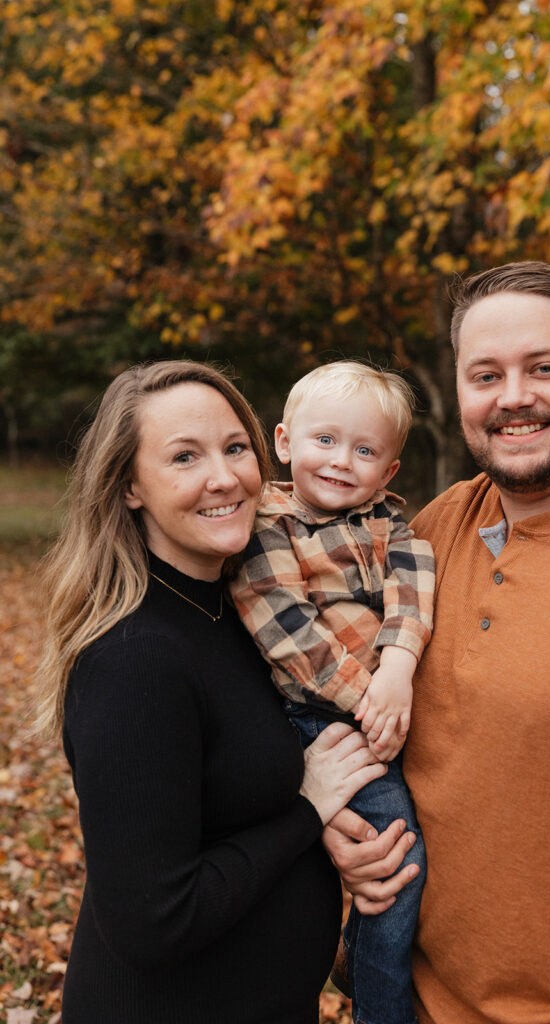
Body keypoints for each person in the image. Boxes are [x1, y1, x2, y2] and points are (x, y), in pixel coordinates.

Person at [323, 262, 550, 1024]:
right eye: (484, 374)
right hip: (402, 998)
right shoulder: (432, 530)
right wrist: (334, 822)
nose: (512, 396)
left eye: (543, 368)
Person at [33, 360, 387, 1024]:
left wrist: (331, 832)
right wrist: (307, 812)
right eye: (184, 457)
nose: (223, 477)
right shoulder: (135, 662)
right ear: (130, 486)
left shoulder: (244, 612)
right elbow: (152, 923)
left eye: (234, 448)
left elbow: (240, 790)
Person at [230, 361, 435, 1024]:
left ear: (389, 471)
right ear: (285, 442)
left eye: (364, 450)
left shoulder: (394, 530)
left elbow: (412, 601)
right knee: (397, 863)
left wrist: (398, 673)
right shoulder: (269, 526)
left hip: (384, 710)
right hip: (320, 720)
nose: (341, 461)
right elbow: (288, 630)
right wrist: (368, 699)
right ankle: (381, 1009)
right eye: (324, 441)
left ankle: (355, 952)